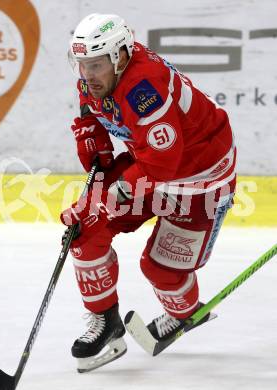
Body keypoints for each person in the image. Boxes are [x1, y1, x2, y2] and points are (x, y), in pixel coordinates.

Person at [61, 13, 236, 372]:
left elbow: (161, 162)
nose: (88, 75)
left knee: (160, 270)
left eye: (95, 65)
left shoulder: (145, 87)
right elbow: (90, 114)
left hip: (200, 178)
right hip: (155, 165)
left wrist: (107, 195)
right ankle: (105, 321)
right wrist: (91, 140)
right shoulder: (98, 79)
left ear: (120, 57)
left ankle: (185, 312)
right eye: (82, 65)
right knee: (86, 230)